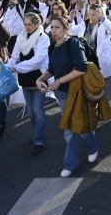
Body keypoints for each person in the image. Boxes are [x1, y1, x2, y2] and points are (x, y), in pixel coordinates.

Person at [36, 16, 99, 178]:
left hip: (78, 90)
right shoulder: (52, 48)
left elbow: (81, 68)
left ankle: (92, 147)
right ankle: (71, 163)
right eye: (52, 27)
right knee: (70, 129)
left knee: (81, 126)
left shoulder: (73, 44)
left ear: (66, 29)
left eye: (57, 27)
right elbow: (52, 68)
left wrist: (58, 81)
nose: (53, 31)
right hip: (62, 93)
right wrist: (40, 79)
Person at [6, 12, 50, 154]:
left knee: (37, 109)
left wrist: (17, 67)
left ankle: (38, 140)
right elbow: (15, 56)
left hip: (39, 78)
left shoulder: (43, 38)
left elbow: (39, 59)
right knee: (31, 111)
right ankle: (37, 132)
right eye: (25, 24)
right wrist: (9, 66)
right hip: (25, 78)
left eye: (30, 24)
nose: (27, 27)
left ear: (37, 24)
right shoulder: (21, 36)